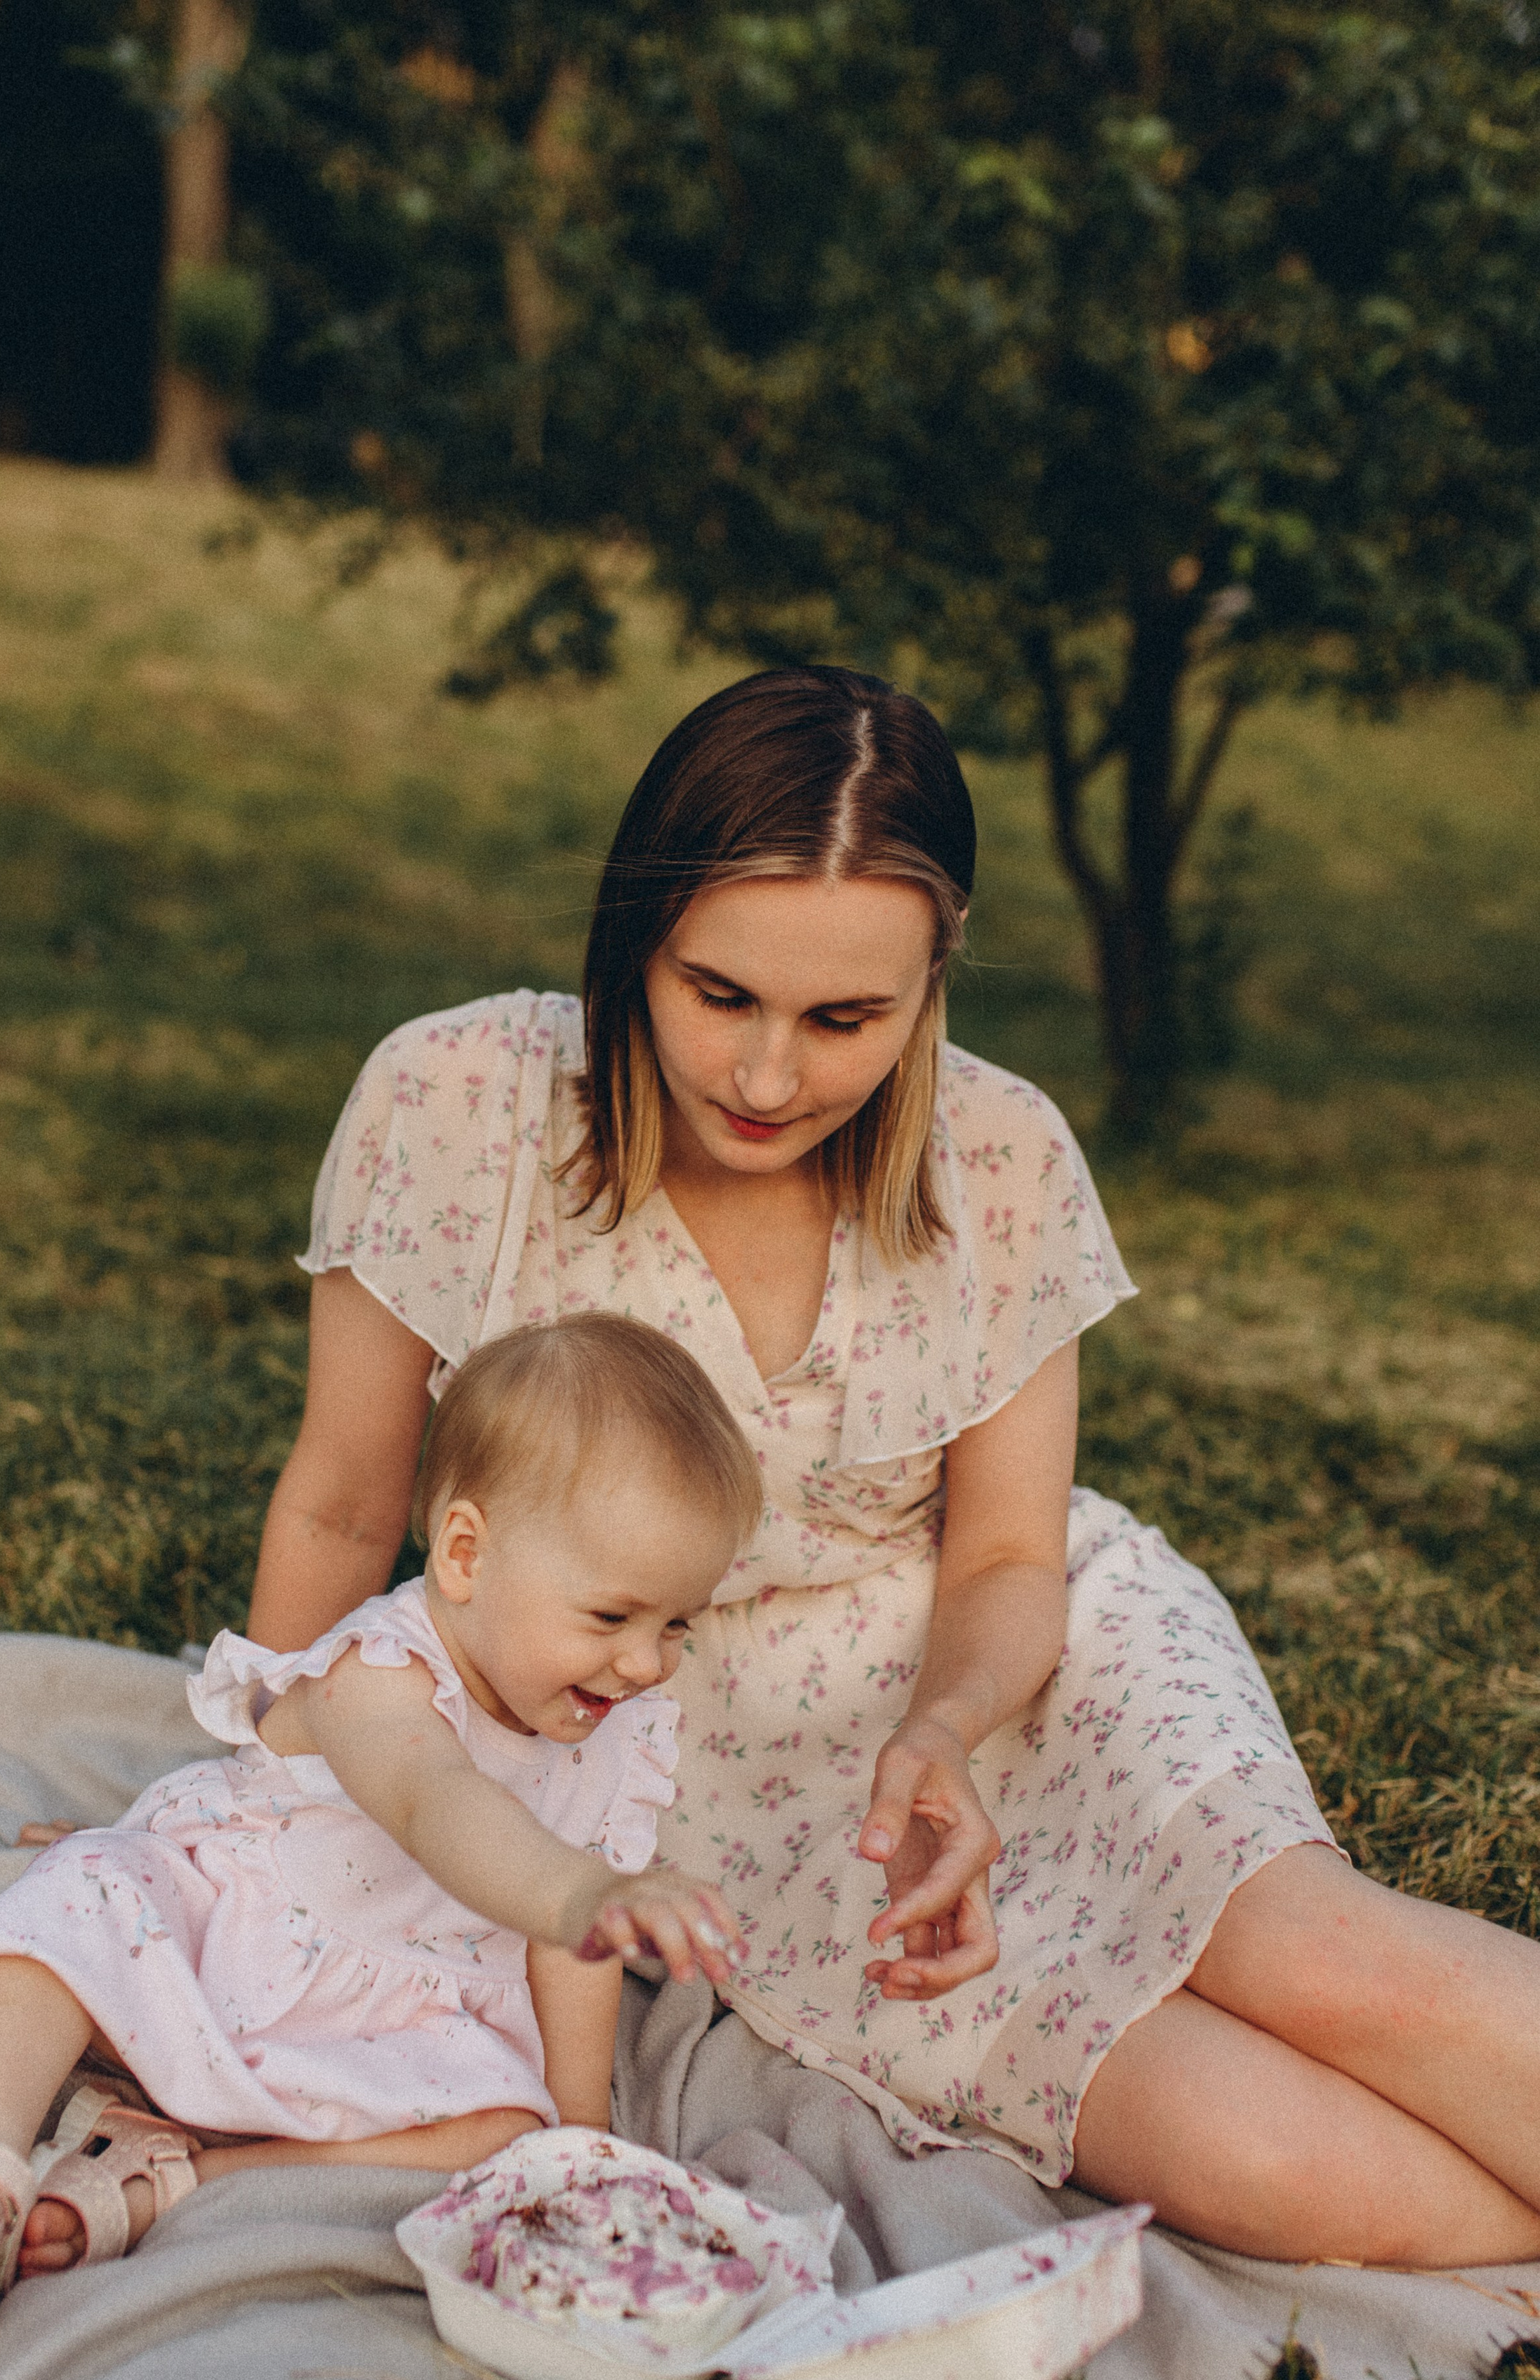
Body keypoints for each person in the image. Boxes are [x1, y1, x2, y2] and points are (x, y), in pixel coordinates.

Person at [246, 664, 1540, 2273]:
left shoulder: (1000, 1158)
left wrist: (943, 1733)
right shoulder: (459, 1105)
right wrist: (242, 1817)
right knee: (1247, 2153)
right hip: (720, 1775)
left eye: (844, 1018)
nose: (768, 1078)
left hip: (1011, 1660)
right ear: (633, 940)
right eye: (718, 994)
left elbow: (1006, 1555)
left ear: (934, 981)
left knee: (1319, 1959)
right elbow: (346, 1504)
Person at [0, 1316, 759, 2344]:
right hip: (227, 1939)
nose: (647, 1663)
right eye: (613, 1618)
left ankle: (167, 2179)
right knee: (69, 1912)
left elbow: (574, 1949)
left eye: (678, 1625)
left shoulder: (612, 1734)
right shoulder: (378, 1676)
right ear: (465, 1553)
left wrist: (579, 2145)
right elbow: (437, 1805)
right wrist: (584, 1891)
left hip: (391, 2013)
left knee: (503, 2132)